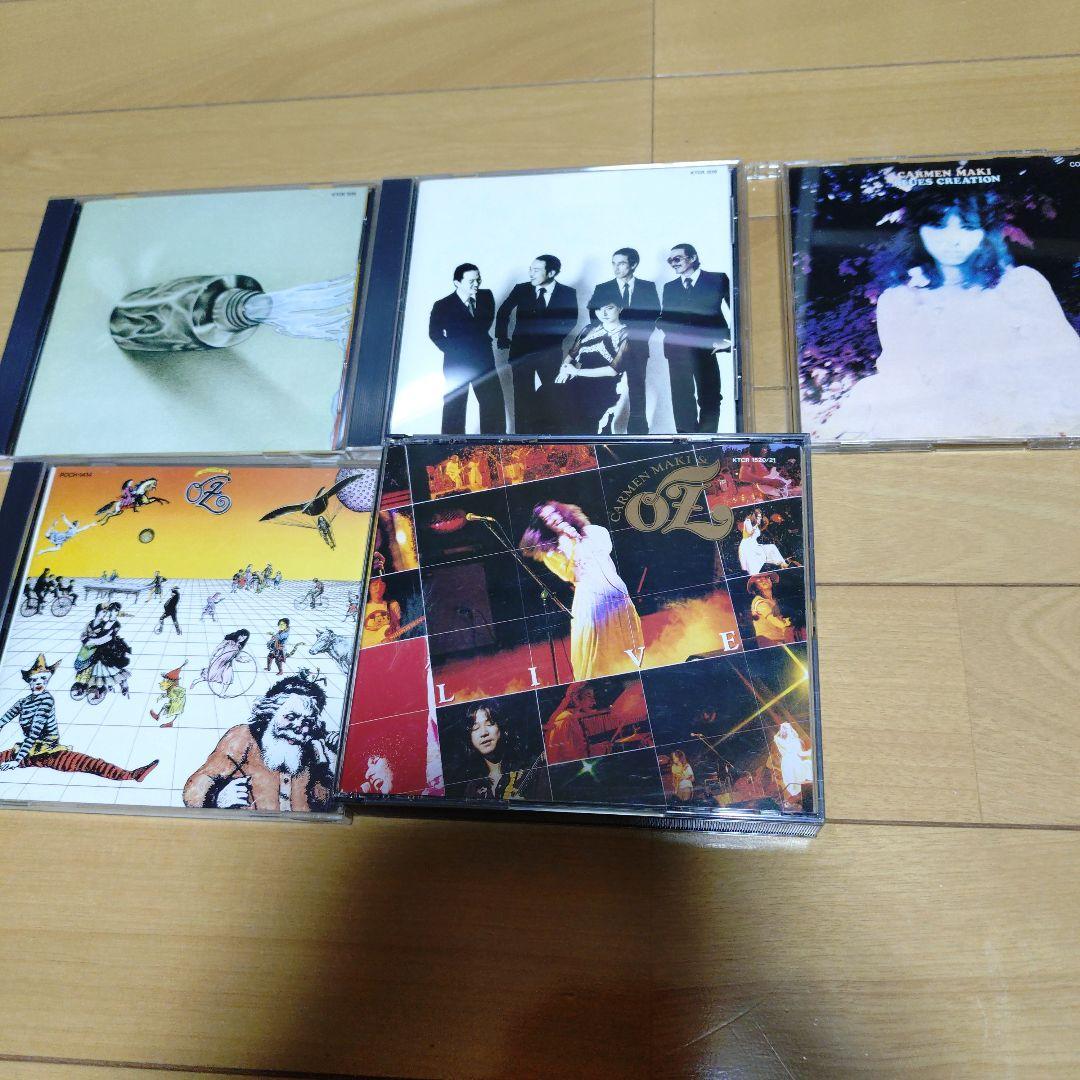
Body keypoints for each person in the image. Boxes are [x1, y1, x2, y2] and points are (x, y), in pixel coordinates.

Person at [815, 188, 1080, 440]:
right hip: (932, 423)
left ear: (984, 232)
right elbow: (900, 378)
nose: (952, 240)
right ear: (919, 230)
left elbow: (1065, 363)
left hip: (1011, 418)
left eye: (967, 227)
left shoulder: (1019, 286)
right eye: (938, 225)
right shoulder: (901, 301)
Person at [520, 502, 643, 682]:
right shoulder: (552, 551)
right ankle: (597, 685)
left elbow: (604, 550)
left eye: (553, 513)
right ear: (544, 526)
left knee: (624, 634)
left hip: (614, 589)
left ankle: (630, 677)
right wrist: (573, 544)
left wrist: (580, 537)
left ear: (561, 512)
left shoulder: (594, 531)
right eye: (546, 519)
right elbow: (570, 575)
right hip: (590, 595)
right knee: (594, 642)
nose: (553, 519)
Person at [182, 675, 336, 812]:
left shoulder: (312, 749)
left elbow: (323, 803)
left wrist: (323, 765)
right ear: (270, 713)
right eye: (290, 717)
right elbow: (194, 789)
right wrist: (217, 798)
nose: (299, 727)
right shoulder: (243, 737)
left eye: (307, 722)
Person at [0, 654, 157, 781]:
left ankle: (131, 775)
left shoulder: (46, 700)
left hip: (50, 752)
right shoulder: (23, 702)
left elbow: (35, 732)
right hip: (28, 751)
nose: (39, 683)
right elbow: (5, 719)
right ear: (29, 681)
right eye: (35, 679)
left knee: (87, 763)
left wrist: (16, 761)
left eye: (43, 679)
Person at [495, 255, 578, 433]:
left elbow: (571, 321)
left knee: (552, 393)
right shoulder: (521, 289)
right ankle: (522, 439)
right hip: (521, 353)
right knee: (522, 395)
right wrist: (502, 337)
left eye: (536, 270)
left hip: (550, 353)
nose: (531, 273)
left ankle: (550, 437)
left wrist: (550, 341)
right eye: (530, 269)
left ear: (551, 272)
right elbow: (503, 311)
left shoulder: (567, 293)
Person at [657, 243, 731, 433]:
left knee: (710, 396)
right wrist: (660, 324)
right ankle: (686, 442)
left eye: (677, 259)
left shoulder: (717, 279)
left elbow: (740, 312)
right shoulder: (670, 287)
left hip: (708, 348)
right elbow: (666, 317)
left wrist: (728, 340)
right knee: (682, 398)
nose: (673, 263)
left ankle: (706, 442)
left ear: (692, 257)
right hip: (677, 350)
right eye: (670, 260)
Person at [587, 248, 661, 434]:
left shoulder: (647, 287)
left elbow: (653, 316)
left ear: (633, 264)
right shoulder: (603, 288)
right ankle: (601, 432)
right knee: (605, 387)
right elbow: (594, 318)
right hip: (608, 348)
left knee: (637, 388)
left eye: (621, 263)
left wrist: (634, 338)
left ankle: (639, 434)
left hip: (637, 346)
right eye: (613, 263)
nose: (616, 268)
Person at [429, 263, 506, 434]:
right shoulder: (442, 305)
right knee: (455, 404)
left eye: (478, 279)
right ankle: (451, 445)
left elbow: (485, 324)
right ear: (457, 282)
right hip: (456, 361)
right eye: (471, 281)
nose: (476, 284)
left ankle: (495, 444)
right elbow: (435, 334)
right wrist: (456, 350)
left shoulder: (486, 296)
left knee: (492, 402)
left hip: (483, 358)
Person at [552, 301, 629, 434]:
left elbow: (612, 370)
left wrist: (576, 371)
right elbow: (571, 355)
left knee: (585, 419)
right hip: (580, 382)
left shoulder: (626, 333)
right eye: (599, 309)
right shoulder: (589, 329)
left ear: (620, 308)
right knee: (552, 398)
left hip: (605, 386)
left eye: (609, 308)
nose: (603, 313)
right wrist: (564, 370)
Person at [460, 700, 543, 801]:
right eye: (476, 727)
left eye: (489, 724)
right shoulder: (472, 788)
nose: (483, 733)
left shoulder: (531, 768)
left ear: (504, 729)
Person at [543, 683, 594, 764]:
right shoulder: (567, 719)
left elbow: (578, 750)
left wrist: (602, 747)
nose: (594, 702)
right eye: (589, 696)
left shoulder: (570, 717)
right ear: (575, 698)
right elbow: (569, 756)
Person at [196, 629, 251, 697]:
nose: (242, 639)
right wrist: (212, 657)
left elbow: (236, 657)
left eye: (244, 639)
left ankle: (222, 693)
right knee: (210, 676)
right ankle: (196, 681)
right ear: (238, 634)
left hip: (228, 664)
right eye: (241, 636)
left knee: (228, 677)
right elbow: (217, 648)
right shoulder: (229, 641)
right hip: (220, 661)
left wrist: (244, 660)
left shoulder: (239, 647)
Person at [773, 721, 814, 808]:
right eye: (782, 729)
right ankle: (793, 801)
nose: (783, 730)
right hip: (790, 763)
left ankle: (795, 800)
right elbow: (776, 737)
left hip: (792, 762)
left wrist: (810, 752)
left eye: (785, 728)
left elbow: (800, 753)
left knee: (798, 782)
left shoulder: (793, 741)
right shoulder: (784, 741)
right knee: (795, 783)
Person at [737, 509, 789, 576]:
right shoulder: (747, 521)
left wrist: (764, 525)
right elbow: (750, 533)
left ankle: (783, 564)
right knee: (757, 561)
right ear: (754, 516)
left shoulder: (755, 524)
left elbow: (758, 532)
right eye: (758, 517)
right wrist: (757, 524)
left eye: (760, 517)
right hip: (748, 546)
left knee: (772, 547)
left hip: (754, 544)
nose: (760, 518)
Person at [747, 574, 793, 647]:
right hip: (769, 643)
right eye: (759, 580)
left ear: (771, 580)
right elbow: (779, 623)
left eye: (766, 577)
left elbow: (781, 619)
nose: (764, 580)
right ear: (756, 586)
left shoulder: (773, 600)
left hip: (781, 640)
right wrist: (790, 622)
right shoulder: (760, 602)